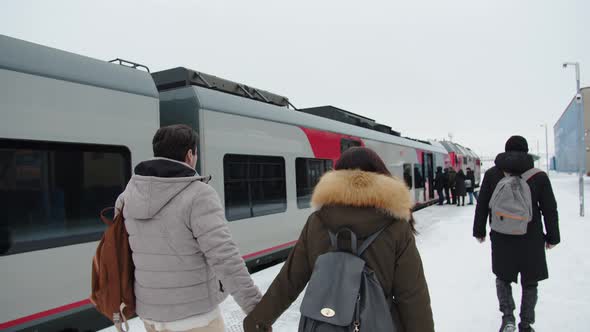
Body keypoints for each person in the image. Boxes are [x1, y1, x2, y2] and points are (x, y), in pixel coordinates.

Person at [243, 147, 434, 332]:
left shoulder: (317, 222)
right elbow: (412, 296)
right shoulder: (396, 226)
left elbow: (289, 280)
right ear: (381, 175)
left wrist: (257, 320)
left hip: (323, 325)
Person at [115, 125, 261, 332]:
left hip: (151, 318)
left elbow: (123, 255)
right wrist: (257, 308)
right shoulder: (199, 195)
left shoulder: (126, 197)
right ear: (190, 155)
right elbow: (225, 258)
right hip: (195, 318)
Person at [473, 136, 560, 332]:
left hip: (501, 236)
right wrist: (553, 237)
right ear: (526, 151)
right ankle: (526, 324)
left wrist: (479, 231)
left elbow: (482, 204)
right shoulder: (539, 176)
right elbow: (549, 209)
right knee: (530, 282)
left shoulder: (493, 174)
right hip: (531, 236)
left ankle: (507, 318)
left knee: (503, 278)